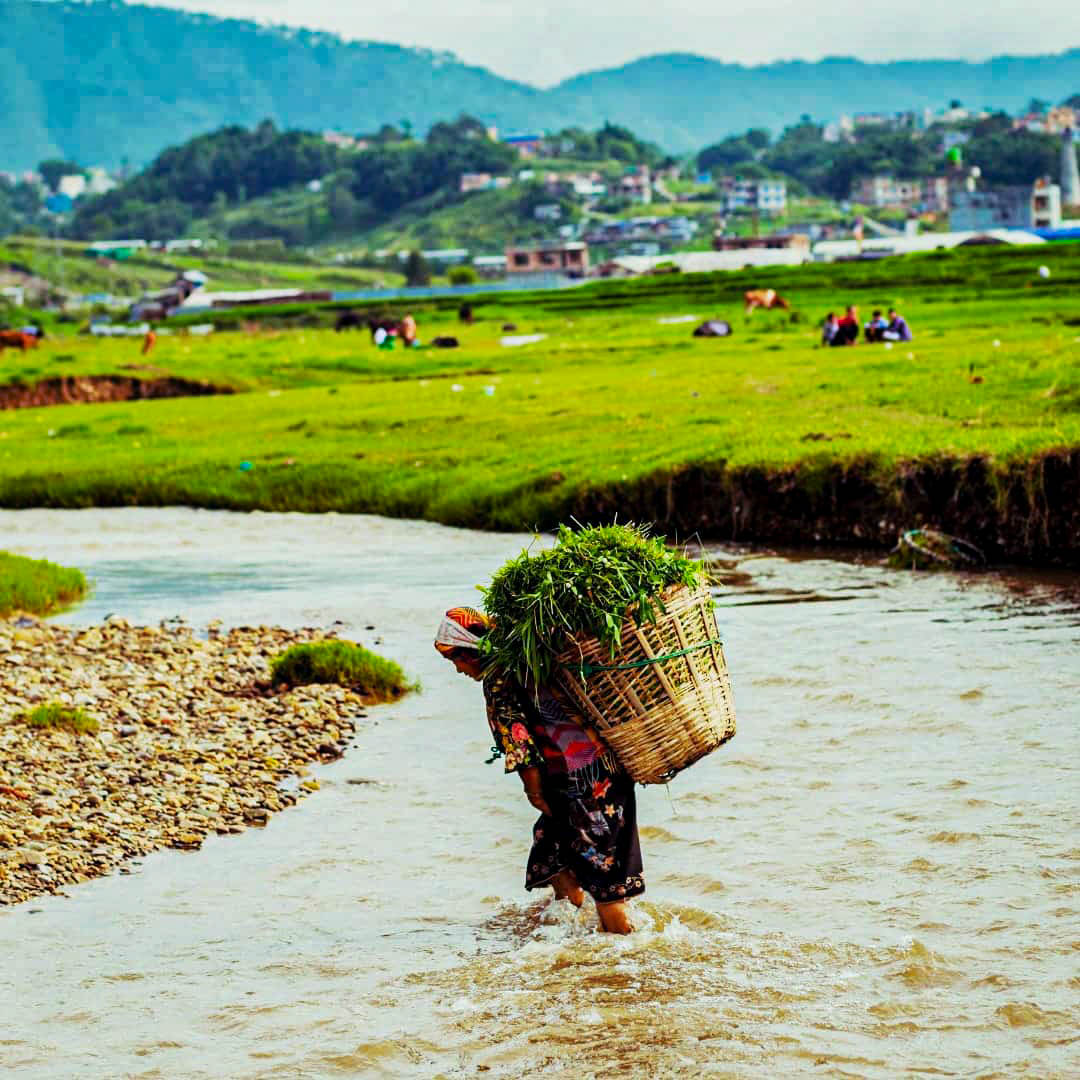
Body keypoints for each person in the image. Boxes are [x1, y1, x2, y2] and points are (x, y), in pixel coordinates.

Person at [435, 607, 643, 934]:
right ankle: (577, 939)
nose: (459, 670)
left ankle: (626, 957)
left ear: (472, 650)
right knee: (550, 850)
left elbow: (520, 743)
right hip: (611, 770)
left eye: (457, 660)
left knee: (606, 881)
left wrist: (532, 791)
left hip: (578, 784)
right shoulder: (534, 660)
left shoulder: (499, 679)